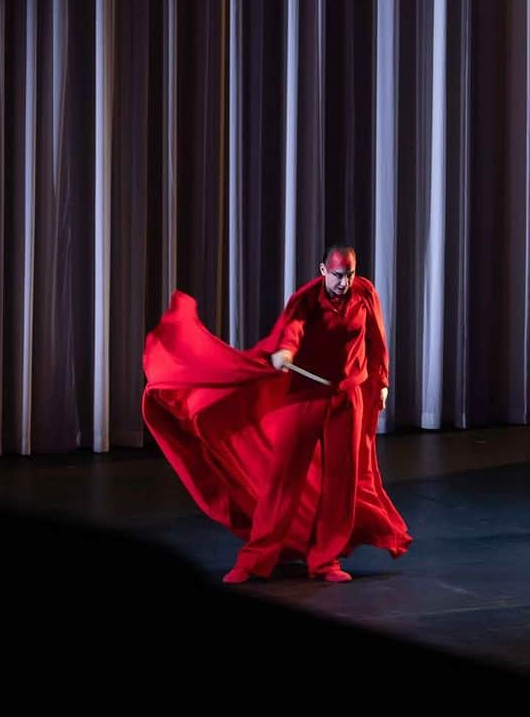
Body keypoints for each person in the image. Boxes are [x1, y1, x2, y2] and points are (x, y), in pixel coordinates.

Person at [142, 244, 411, 584]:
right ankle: (256, 560)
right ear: (323, 270)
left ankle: (325, 561)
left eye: (350, 275)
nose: (344, 282)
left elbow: (377, 340)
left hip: (347, 397)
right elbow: (293, 329)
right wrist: (285, 350)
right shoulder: (307, 299)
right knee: (285, 478)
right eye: (338, 275)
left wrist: (382, 382)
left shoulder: (365, 293)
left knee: (341, 483)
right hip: (306, 396)